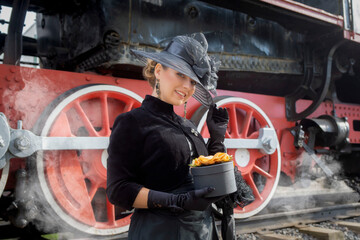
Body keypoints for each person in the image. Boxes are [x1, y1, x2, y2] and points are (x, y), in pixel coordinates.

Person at [106, 33, 229, 239]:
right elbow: (118, 190)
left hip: (202, 231)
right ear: (159, 70)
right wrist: (177, 200)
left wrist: (217, 138)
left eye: (193, 81)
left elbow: (206, 175)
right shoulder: (132, 122)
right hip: (160, 231)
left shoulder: (187, 126)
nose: (187, 87)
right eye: (181, 74)